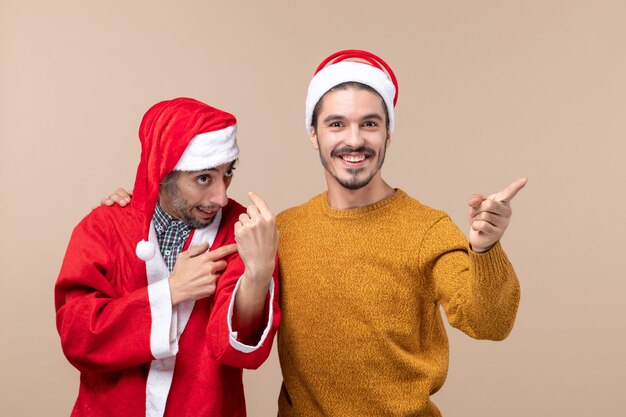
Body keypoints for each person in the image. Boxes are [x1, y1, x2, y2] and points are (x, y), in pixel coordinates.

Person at [103, 50, 526, 417]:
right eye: (337, 124)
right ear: (314, 135)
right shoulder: (282, 231)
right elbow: (212, 320)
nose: (354, 140)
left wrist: (485, 249)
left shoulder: (426, 229)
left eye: (370, 124)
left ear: (388, 133)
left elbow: (489, 322)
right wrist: (141, 202)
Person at [55, 97, 281, 417]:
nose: (221, 196)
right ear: (163, 172)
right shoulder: (103, 228)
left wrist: (259, 272)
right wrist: (170, 292)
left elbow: (235, 350)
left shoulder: (242, 230)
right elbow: (78, 337)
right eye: (203, 178)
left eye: (227, 173)